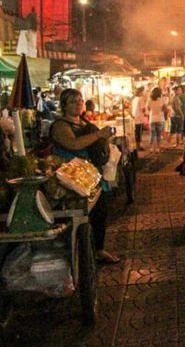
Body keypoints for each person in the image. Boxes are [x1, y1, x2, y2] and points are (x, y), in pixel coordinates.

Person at [50, 89, 119, 265]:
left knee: (100, 211)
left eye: (80, 100)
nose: (79, 103)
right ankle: (78, 254)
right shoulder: (60, 125)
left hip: (89, 175)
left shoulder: (83, 121)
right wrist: (98, 134)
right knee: (77, 215)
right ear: (64, 104)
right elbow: (72, 144)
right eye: (73, 101)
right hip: (70, 178)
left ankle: (98, 249)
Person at [146, 87, 166, 154]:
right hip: (160, 118)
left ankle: (151, 148)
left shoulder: (149, 100)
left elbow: (148, 109)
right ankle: (158, 148)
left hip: (152, 119)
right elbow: (164, 109)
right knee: (159, 134)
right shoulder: (161, 100)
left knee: (152, 134)